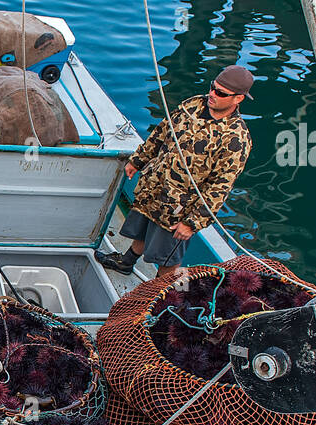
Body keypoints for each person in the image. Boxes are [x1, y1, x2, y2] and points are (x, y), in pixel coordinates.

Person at [95, 65, 253, 281]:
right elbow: (161, 132)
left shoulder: (236, 139)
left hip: (178, 208)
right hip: (153, 188)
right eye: (212, 88)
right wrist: (139, 160)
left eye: (221, 93)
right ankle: (127, 261)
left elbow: (220, 188)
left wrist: (192, 223)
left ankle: (159, 298)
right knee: (142, 227)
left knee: (168, 259)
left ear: (238, 99)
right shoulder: (193, 105)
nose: (212, 95)